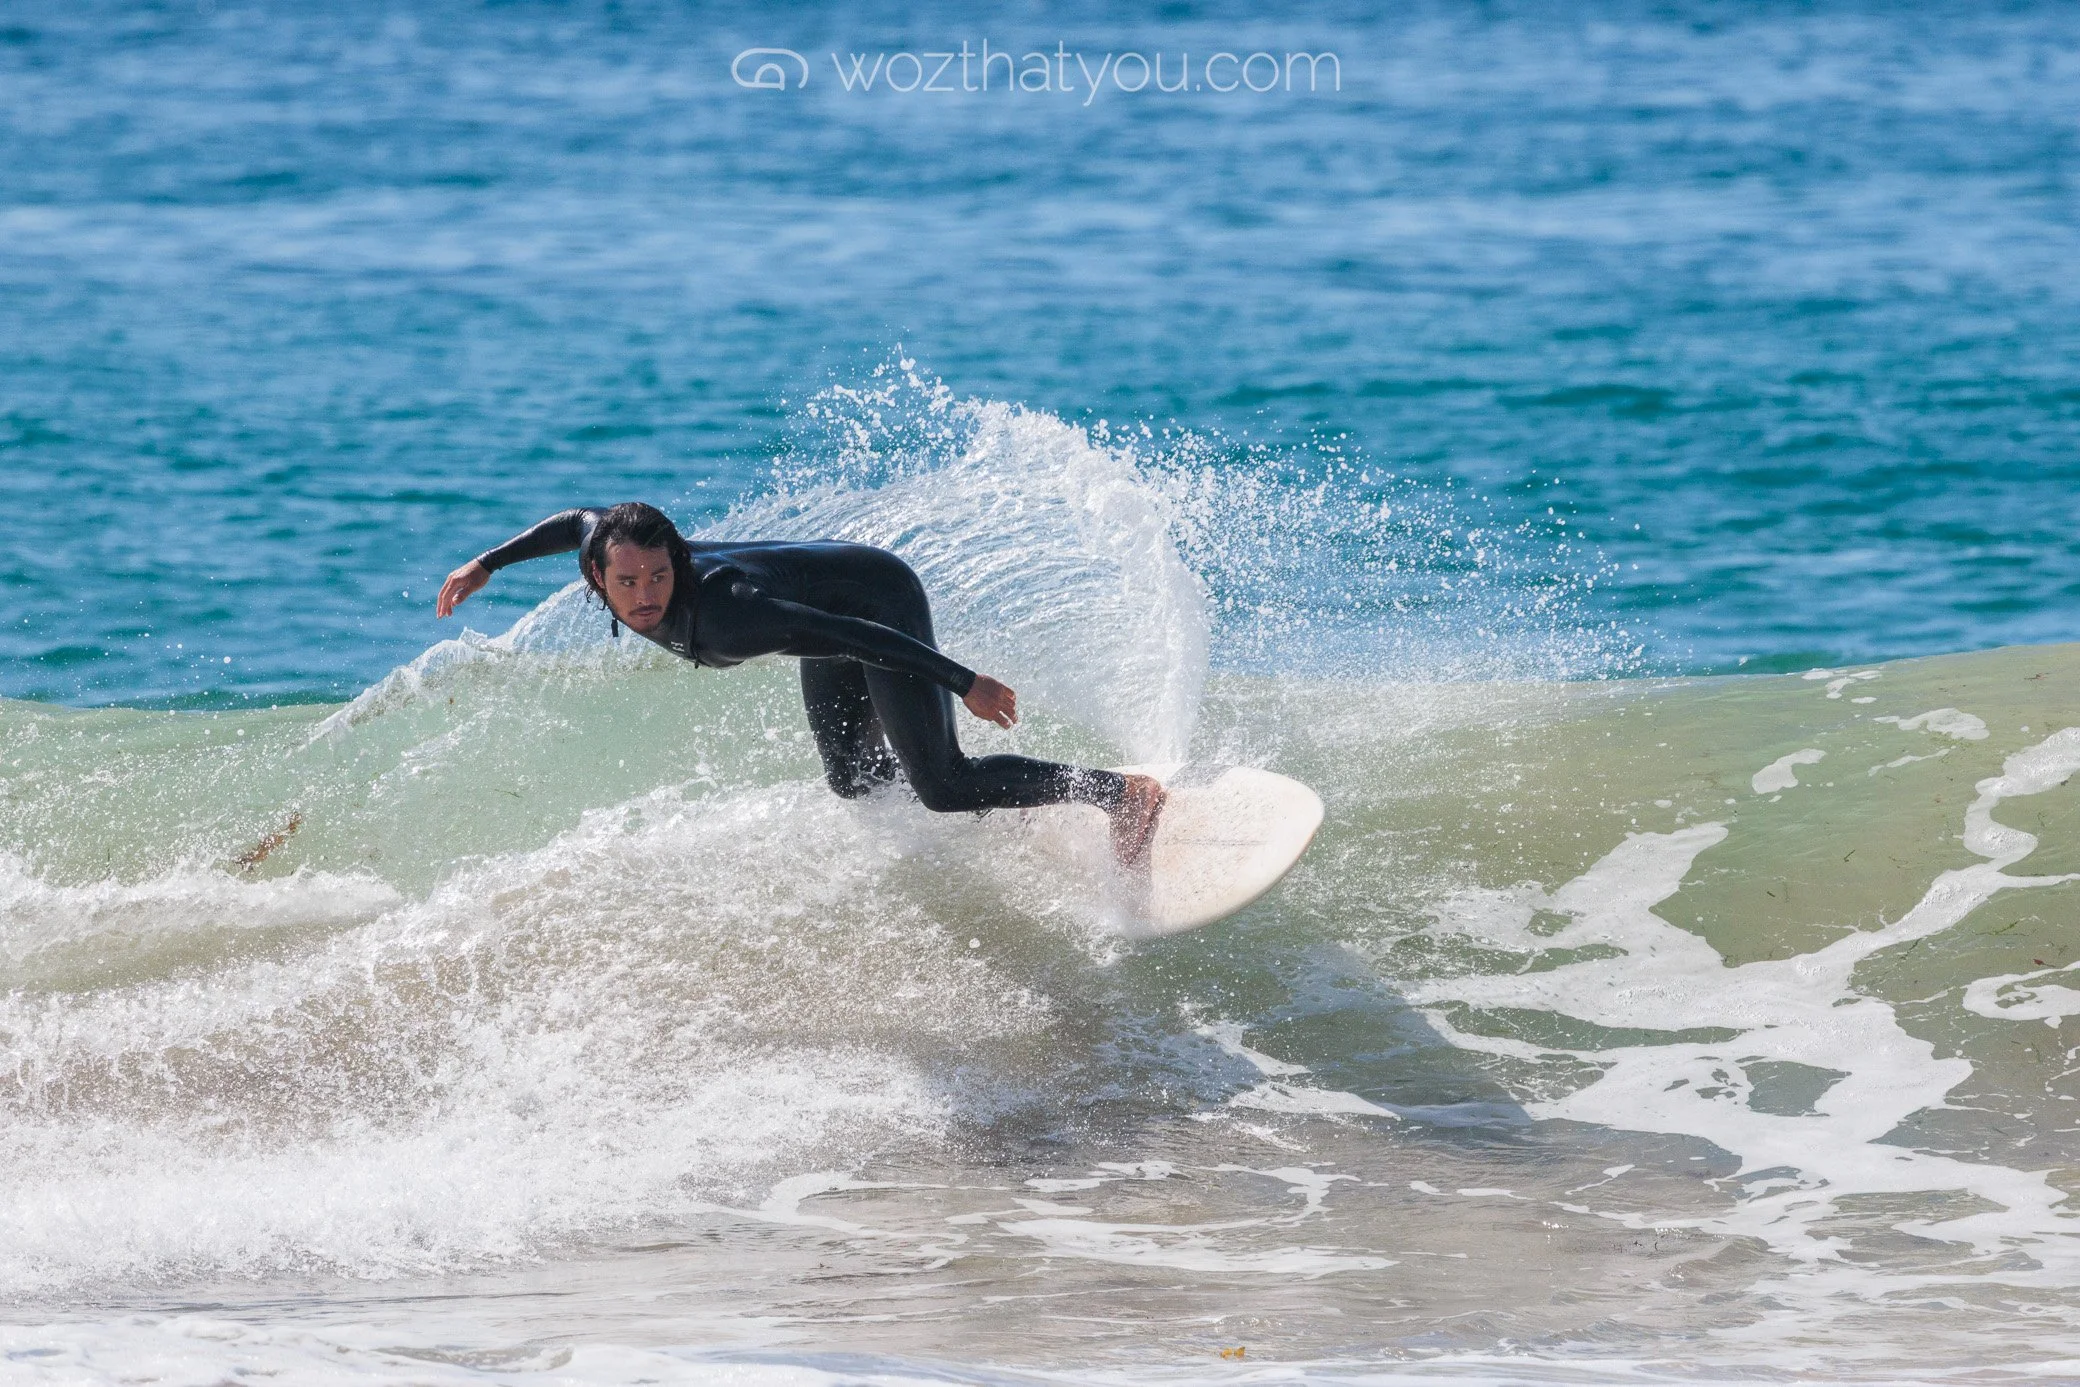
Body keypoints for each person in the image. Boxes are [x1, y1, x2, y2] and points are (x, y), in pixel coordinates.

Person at [436, 502, 1166, 863]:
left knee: (942, 783)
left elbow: (857, 638)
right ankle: (1011, 797)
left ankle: (1124, 796)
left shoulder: (727, 616)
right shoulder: (605, 541)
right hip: (828, 607)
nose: (646, 595)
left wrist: (963, 681)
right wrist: (486, 564)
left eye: (661, 575)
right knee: (852, 777)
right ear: (598, 572)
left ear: (679, 563)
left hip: (873, 602)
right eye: (627, 581)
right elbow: (570, 521)